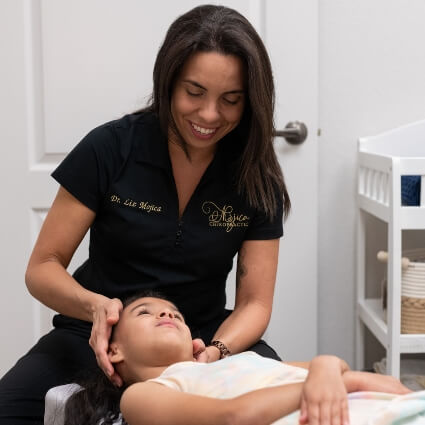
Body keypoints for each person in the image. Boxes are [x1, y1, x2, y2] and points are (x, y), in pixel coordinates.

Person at [0, 4, 291, 424]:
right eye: (194, 92)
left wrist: (215, 353)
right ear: (168, 81)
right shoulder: (110, 149)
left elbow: (255, 303)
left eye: (231, 100)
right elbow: (42, 267)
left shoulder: (254, 176)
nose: (210, 115)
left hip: (201, 337)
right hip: (92, 334)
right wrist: (95, 308)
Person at [60, 292, 412, 425]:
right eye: (145, 313)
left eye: (175, 314)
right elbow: (232, 417)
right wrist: (336, 380)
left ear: (194, 342)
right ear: (114, 350)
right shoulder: (144, 395)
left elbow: (337, 366)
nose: (167, 315)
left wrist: (325, 368)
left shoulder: (238, 361)